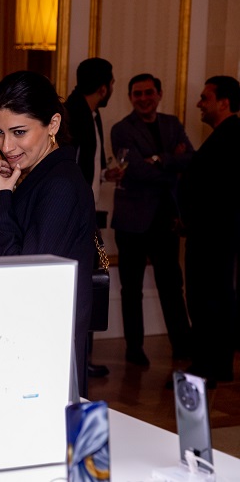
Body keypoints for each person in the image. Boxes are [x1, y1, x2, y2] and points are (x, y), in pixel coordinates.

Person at [0, 70, 97, 398]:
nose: (6, 146)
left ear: (53, 124)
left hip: (42, 348)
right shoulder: (40, 175)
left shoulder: (59, 184)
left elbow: (23, 278)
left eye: (19, 132)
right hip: (33, 341)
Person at [110, 73, 193, 367]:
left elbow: (190, 158)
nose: (143, 98)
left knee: (172, 286)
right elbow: (135, 170)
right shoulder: (122, 129)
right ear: (130, 97)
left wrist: (158, 159)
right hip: (132, 220)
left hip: (165, 219)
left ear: (159, 94)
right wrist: (172, 165)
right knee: (131, 289)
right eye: (137, 94)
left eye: (148, 92)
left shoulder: (173, 124)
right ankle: (134, 349)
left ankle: (182, 345)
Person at [179, 75, 240, 387]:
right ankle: (214, 364)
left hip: (213, 233)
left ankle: (208, 366)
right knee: (213, 296)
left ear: (224, 103)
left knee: (207, 298)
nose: (199, 104)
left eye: (205, 98)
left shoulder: (230, 137)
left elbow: (217, 190)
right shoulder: (225, 135)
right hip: (215, 232)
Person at [65, 57, 121, 378]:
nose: (111, 88)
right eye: (111, 84)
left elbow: (87, 163)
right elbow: (69, 166)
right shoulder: (73, 113)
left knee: (88, 283)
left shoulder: (91, 114)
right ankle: (77, 361)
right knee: (82, 285)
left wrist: (102, 174)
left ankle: (83, 358)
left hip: (85, 211)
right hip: (76, 214)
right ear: (103, 87)